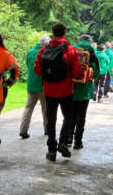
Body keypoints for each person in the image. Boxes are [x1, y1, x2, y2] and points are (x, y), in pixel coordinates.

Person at [33, 23, 81, 161]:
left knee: (51, 119)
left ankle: (52, 150)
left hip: (49, 90)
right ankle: (63, 142)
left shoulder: (44, 49)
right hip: (66, 89)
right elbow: (77, 71)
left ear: (52, 33)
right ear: (65, 33)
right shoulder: (70, 50)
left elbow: (37, 69)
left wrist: (48, 77)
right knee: (69, 117)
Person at [71, 34, 100, 149]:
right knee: (81, 116)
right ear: (89, 42)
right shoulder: (92, 54)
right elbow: (97, 73)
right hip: (85, 88)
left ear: (79, 41)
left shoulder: (71, 51)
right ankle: (78, 142)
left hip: (71, 88)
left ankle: (68, 137)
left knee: (70, 115)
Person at [19, 35, 50, 138]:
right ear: (45, 43)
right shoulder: (46, 52)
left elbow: (28, 66)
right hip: (43, 85)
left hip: (31, 84)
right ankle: (47, 129)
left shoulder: (30, 52)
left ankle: (23, 130)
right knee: (45, 108)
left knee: (28, 108)